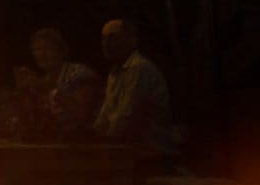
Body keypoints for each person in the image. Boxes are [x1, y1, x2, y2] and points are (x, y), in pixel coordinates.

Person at [91, 18, 175, 163]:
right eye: (103, 38)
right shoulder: (115, 74)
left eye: (113, 38)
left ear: (132, 41)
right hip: (131, 152)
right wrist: (89, 136)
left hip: (152, 155)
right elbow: (105, 116)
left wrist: (98, 142)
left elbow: (126, 119)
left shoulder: (139, 69)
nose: (106, 44)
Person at [12, 27, 101, 141]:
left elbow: (83, 114)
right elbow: (30, 125)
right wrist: (22, 92)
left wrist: (48, 88)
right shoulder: (40, 81)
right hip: (56, 146)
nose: (42, 54)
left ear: (62, 51)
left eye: (48, 48)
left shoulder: (81, 74)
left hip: (88, 146)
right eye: (38, 49)